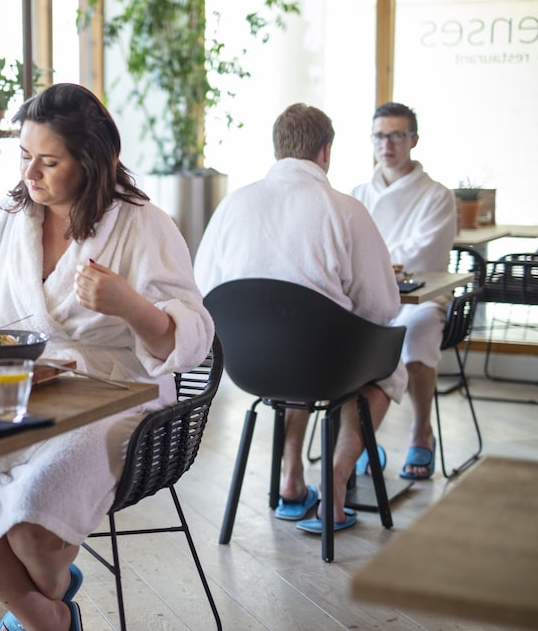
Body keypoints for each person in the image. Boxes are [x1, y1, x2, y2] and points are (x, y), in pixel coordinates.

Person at [0, 83, 214, 631]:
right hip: (23, 392)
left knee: (33, 527)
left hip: (116, 395)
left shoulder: (141, 225)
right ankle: (48, 616)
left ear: (92, 162)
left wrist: (131, 306)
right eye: (24, 157)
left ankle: (42, 599)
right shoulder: (9, 219)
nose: (31, 175)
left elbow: (194, 336)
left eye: (49, 161)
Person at [193, 103, 405, 533]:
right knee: (384, 371)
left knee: (298, 356)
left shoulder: (234, 204)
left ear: (278, 149)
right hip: (324, 363)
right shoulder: (344, 209)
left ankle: (291, 481)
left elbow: (202, 290)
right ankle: (337, 482)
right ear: (325, 152)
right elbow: (382, 307)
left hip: (246, 365)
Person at [352, 102, 457, 480]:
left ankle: (421, 432)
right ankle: (361, 438)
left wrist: (373, 257)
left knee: (417, 334)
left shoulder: (437, 196)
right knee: (351, 340)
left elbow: (423, 255)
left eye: (396, 135)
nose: (387, 144)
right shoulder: (358, 193)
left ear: (413, 139)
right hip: (368, 297)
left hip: (423, 297)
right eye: (380, 135)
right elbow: (347, 252)